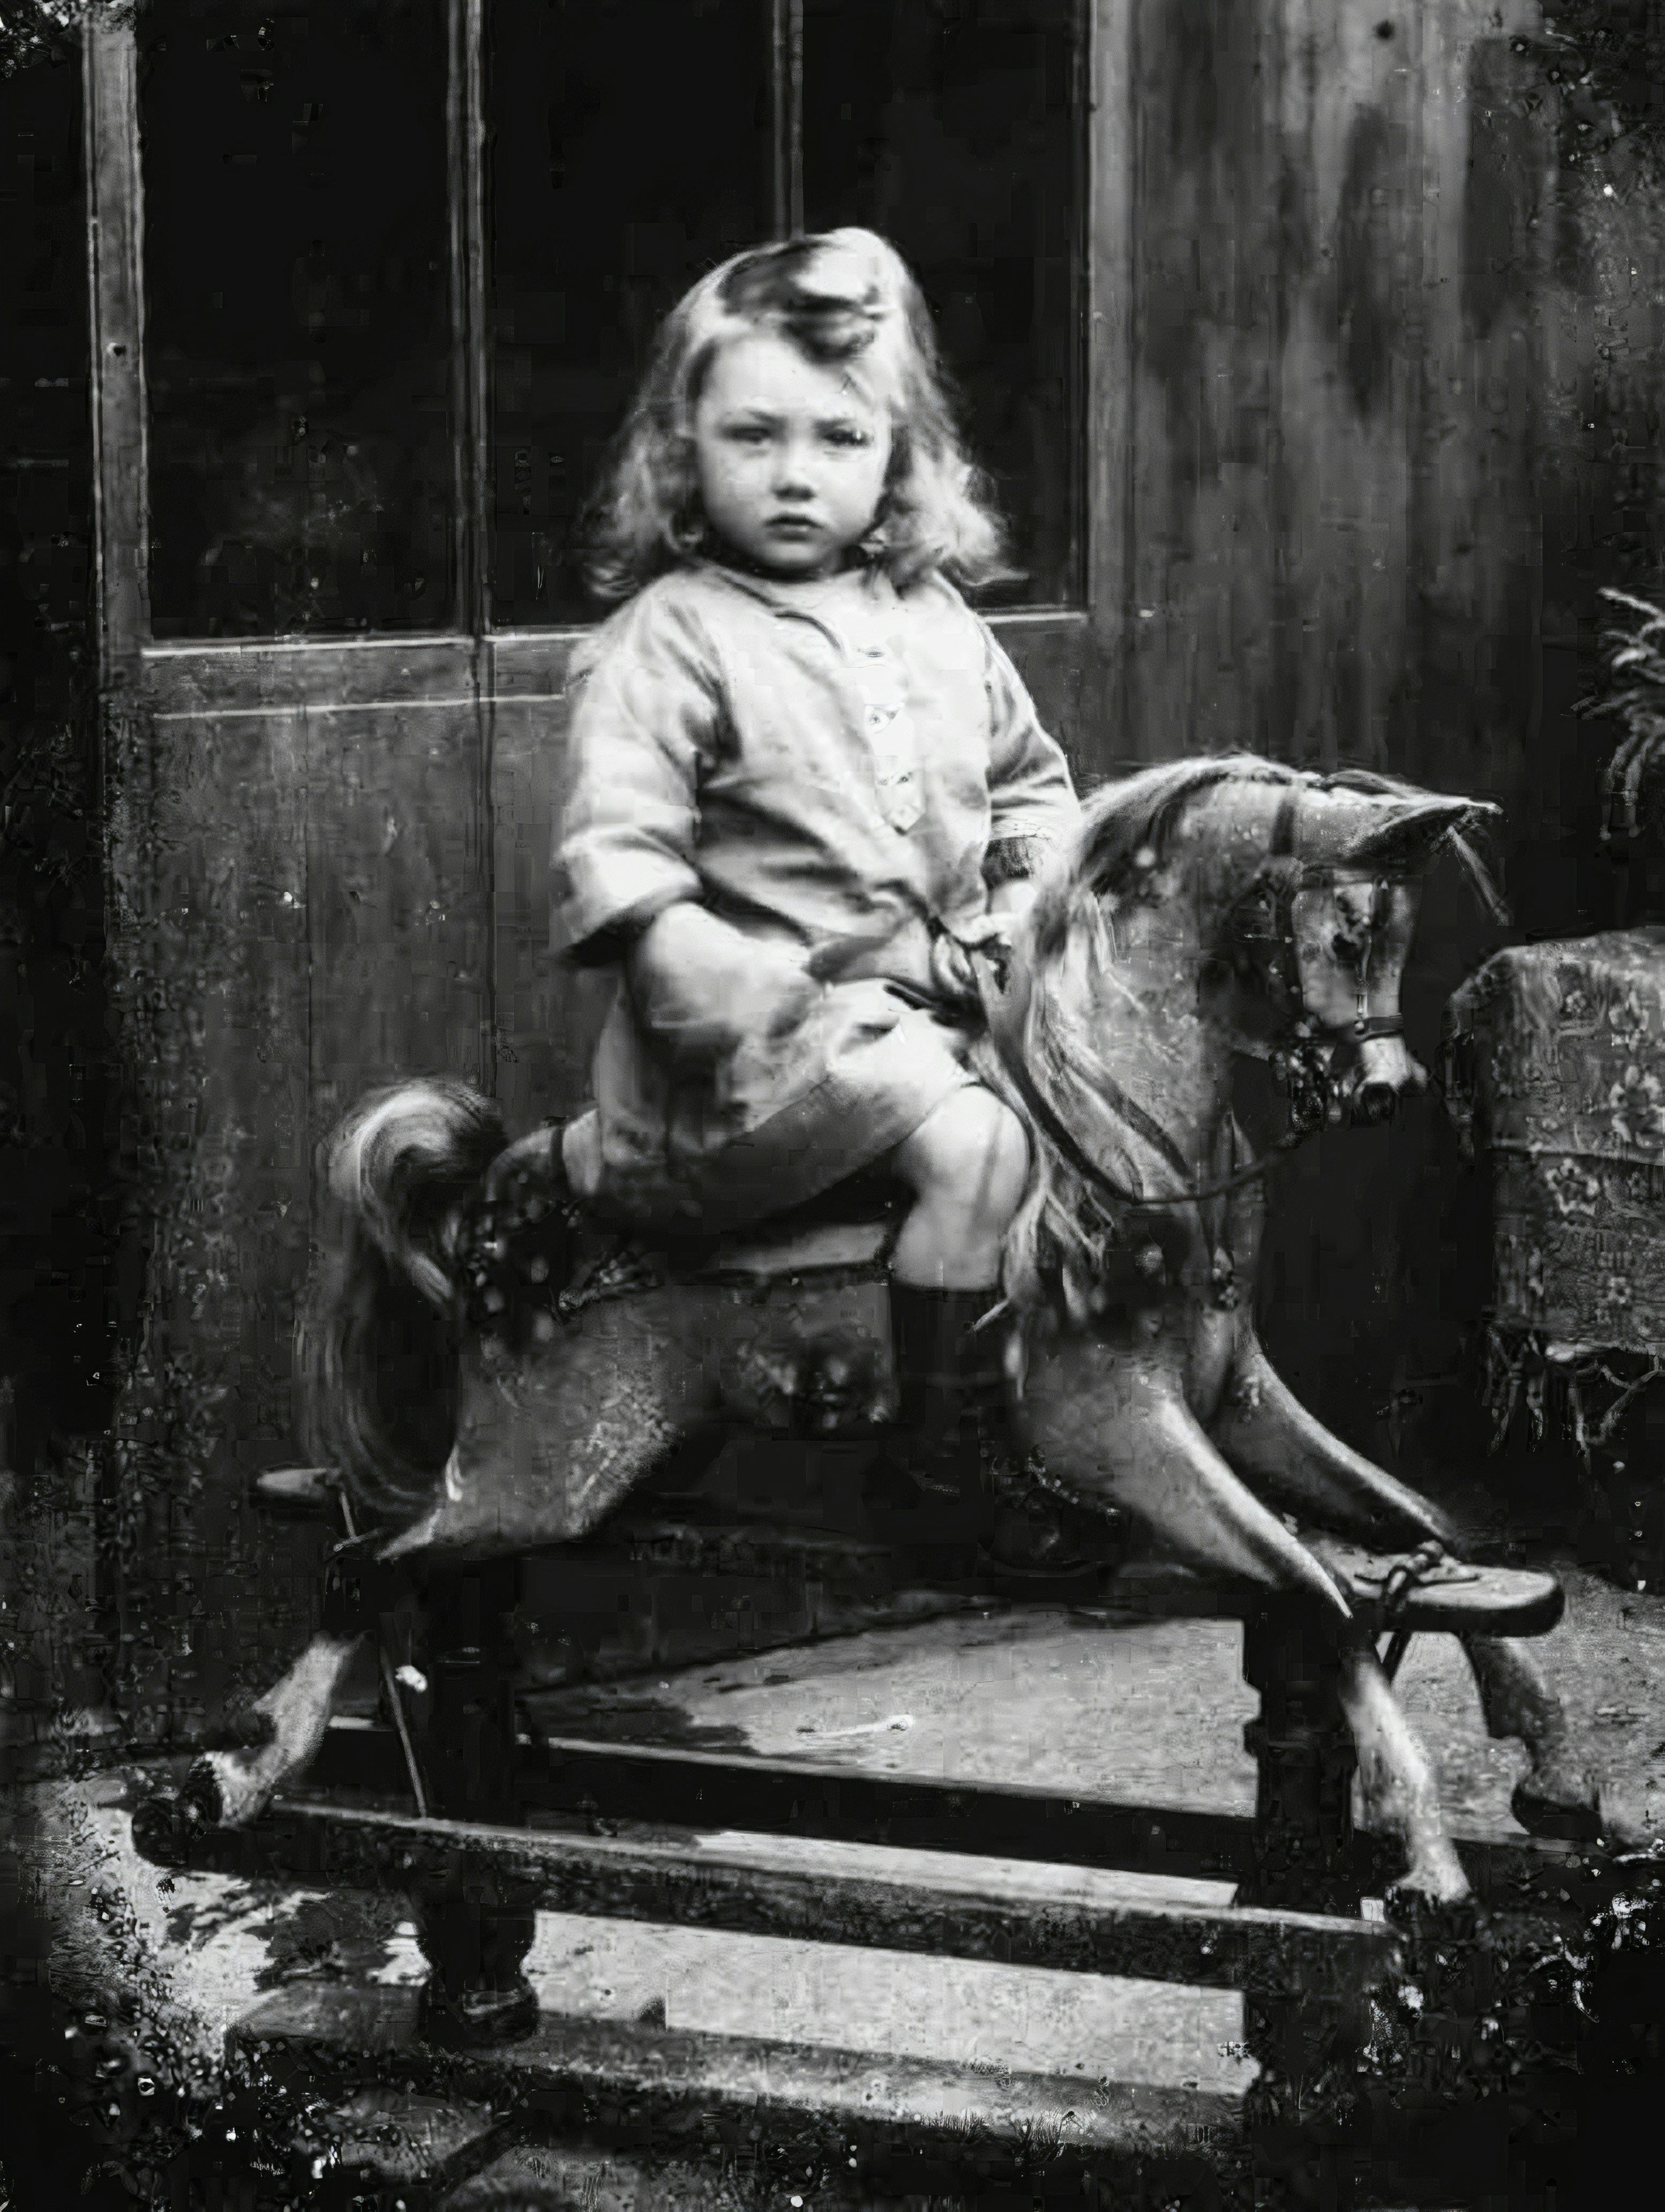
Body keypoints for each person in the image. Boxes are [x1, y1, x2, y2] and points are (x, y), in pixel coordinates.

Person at [550, 228, 1084, 1560]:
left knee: (1098, 1136)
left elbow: (1032, 788)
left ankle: (1061, 1427)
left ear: (901, 457)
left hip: (917, 1025)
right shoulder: (671, 635)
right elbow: (618, 841)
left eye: (841, 441)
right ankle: (946, 1482)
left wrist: (1017, 909)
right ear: (682, 452)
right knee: (985, 1152)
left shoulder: (938, 619)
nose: (797, 475)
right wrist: (678, 946)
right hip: (741, 1063)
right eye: (753, 437)